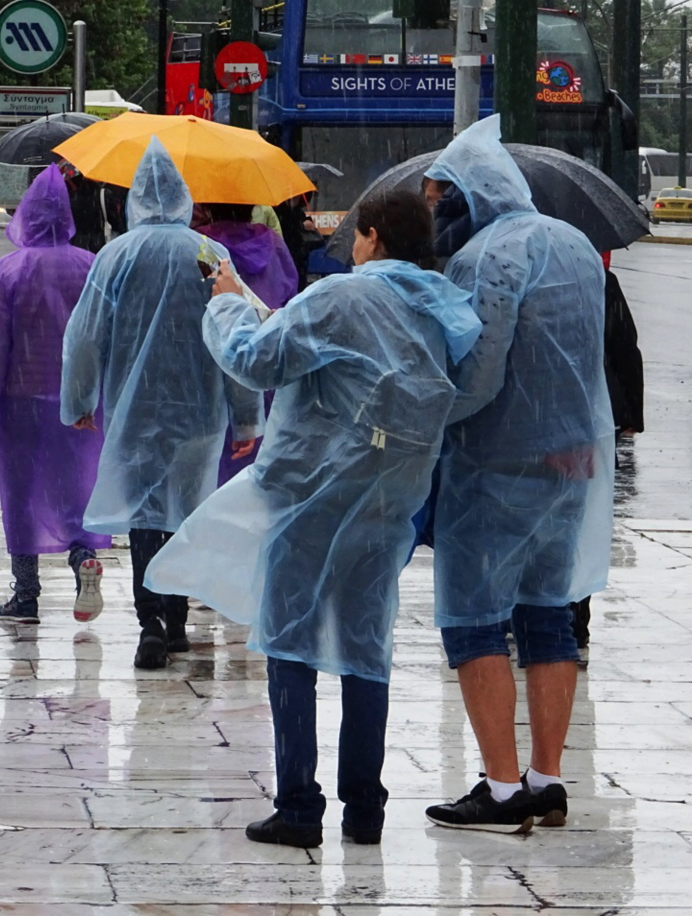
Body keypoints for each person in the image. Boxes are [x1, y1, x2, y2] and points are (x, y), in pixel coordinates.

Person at [145, 189, 479, 848]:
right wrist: (251, 300)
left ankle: (298, 804)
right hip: (388, 506)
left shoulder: (343, 296)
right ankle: (365, 808)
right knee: (364, 651)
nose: (351, 245)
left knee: (290, 641)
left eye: (357, 234)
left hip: (312, 495)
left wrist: (223, 303)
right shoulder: (435, 312)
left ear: (374, 237)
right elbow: (325, 353)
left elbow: (257, 358)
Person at [421, 116, 615, 834]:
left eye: (441, 192)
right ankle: (547, 777)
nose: (435, 206)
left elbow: (479, 374)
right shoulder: (571, 243)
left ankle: (501, 789)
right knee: (548, 616)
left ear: (469, 192)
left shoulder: (483, 259)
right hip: (572, 455)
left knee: (472, 620)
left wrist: (425, 411)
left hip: (495, 459)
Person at [60, 137, 264, 669]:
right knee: (186, 509)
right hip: (198, 409)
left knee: (145, 515)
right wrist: (246, 415)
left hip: (133, 408)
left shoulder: (114, 257)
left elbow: (84, 336)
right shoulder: (207, 254)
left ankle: (148, 618)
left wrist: (79, 398)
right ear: (183, 198)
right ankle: (175, 619)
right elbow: (233, 327)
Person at [0, 164, 111, 624]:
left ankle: (26, 593)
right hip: (79, 402)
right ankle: (82, 559)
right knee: (76, 490)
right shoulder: (90, 266)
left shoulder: (10, 270)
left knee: (22, 493)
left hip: (22, 400)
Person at [570, 252, 644, 651]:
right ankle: (575, 622)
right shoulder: (599, 280)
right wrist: (631, 411)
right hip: (594, 416)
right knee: (582, 518)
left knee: (531, 518)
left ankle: (528, 615)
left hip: (534, 420)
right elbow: (624, 348)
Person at [198, 202, 299, 485]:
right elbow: (289, 293)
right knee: (255, 470)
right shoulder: (274, 244)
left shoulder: (203, 247)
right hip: (264, 363)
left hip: (212, 370)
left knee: (213, 471)